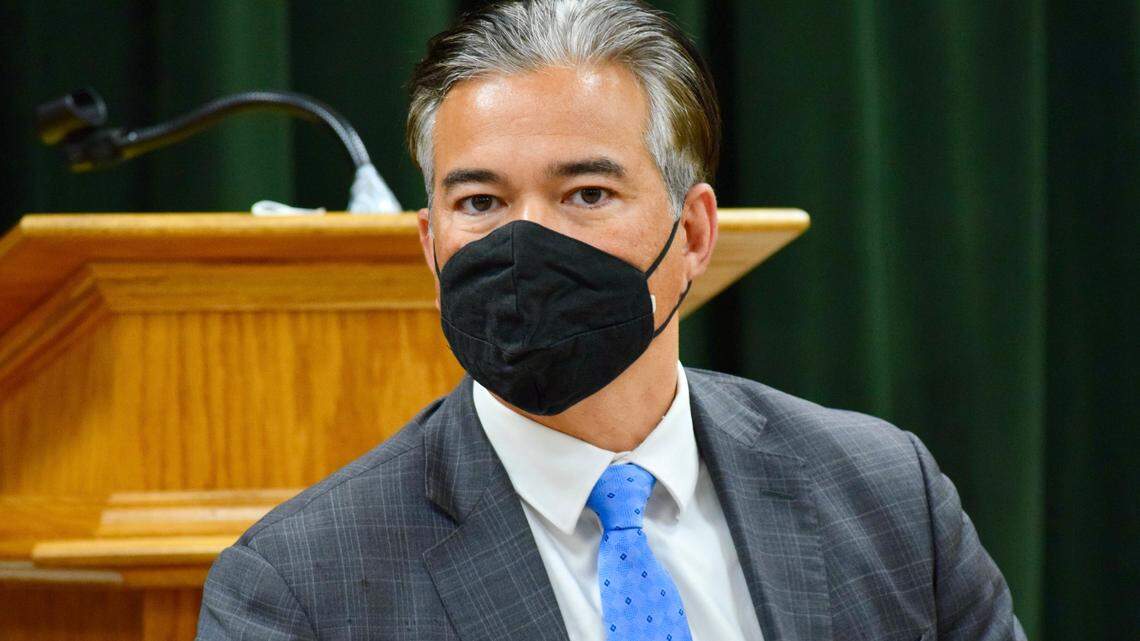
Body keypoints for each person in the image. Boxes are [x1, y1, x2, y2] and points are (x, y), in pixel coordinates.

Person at [196, 1, 1027, 639]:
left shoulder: (886, 494)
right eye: (480, 201)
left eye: (586, 194)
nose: (528, 242)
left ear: (695, 232)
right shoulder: (298, 585)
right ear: (431, 244)